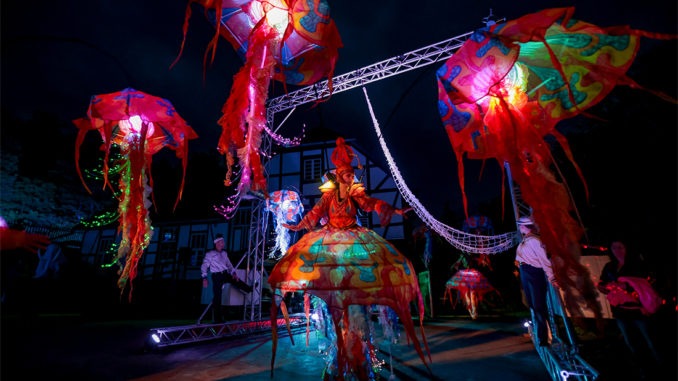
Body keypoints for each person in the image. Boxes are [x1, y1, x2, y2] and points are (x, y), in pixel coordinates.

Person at [597, 240, 662, 375]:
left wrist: (628, 286)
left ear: (627, 248)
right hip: (621, 311)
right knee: (632, 343)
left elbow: (647, 284)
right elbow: (604, 284)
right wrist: (603, 287)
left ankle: (662, 369)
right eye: (614, 247)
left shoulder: (636, 264)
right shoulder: (610, 266)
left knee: (652, 342)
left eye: (620, 247)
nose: (617, 250)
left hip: (638, 310)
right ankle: (644, 370)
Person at [515, 215, 558, 346]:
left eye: (520, 225)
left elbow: (544, 261)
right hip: (525, 271)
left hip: (534, 273)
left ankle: (545, 338)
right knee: (533, 305)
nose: (519, 227)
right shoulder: (525, 240)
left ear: (524, 226)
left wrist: (551, 277)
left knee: (539, 306)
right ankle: (541, 335)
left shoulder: (534, 240)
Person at [201, 234, 252, 323]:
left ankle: (248, 289)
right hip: (216, 276)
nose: (223, 243)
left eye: (223, 242)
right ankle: (218, 319)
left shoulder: (224, 253)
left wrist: (234, 273)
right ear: (216, 243)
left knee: (236, 280)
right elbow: (204, 265)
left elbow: (229, 264)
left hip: (225, 273)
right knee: (218, 296)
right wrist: (204, 277)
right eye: (221, 242)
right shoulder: (210, 254)